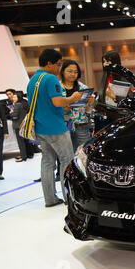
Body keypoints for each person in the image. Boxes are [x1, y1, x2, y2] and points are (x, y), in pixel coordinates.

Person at [27, 48, 83, 207]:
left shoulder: (33, 80)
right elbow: (57, 101)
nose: (59, 68)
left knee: (47, 162)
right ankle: (68, 198)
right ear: (49, 63)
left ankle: (50, 199)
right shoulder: (50, 79)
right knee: (66, 160)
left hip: (40, 128)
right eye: (58, 65)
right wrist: (72, 98)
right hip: (56, 128)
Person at [60, 59, 96, 153]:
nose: (73, 74)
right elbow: (56, 108)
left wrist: (90, 103)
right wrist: (69, 105)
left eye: (75, 72)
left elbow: (88, 111)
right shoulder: (57, 88)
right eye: (70, 71)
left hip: (81, 126)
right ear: (63, 71)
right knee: (66, 155)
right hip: (63, 127)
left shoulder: (83, 88)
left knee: (84, 153)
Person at [10, 91, 30, 162]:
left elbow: (15, 115)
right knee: (24, 141)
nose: (13, 98)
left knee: (20, 142)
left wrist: (11, 113)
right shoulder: (23, 104)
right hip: (23, 125)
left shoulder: (17, 105)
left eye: (15, 97)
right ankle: (25, 155)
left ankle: (23, 156)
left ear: (18, 97)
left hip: (18, 125)